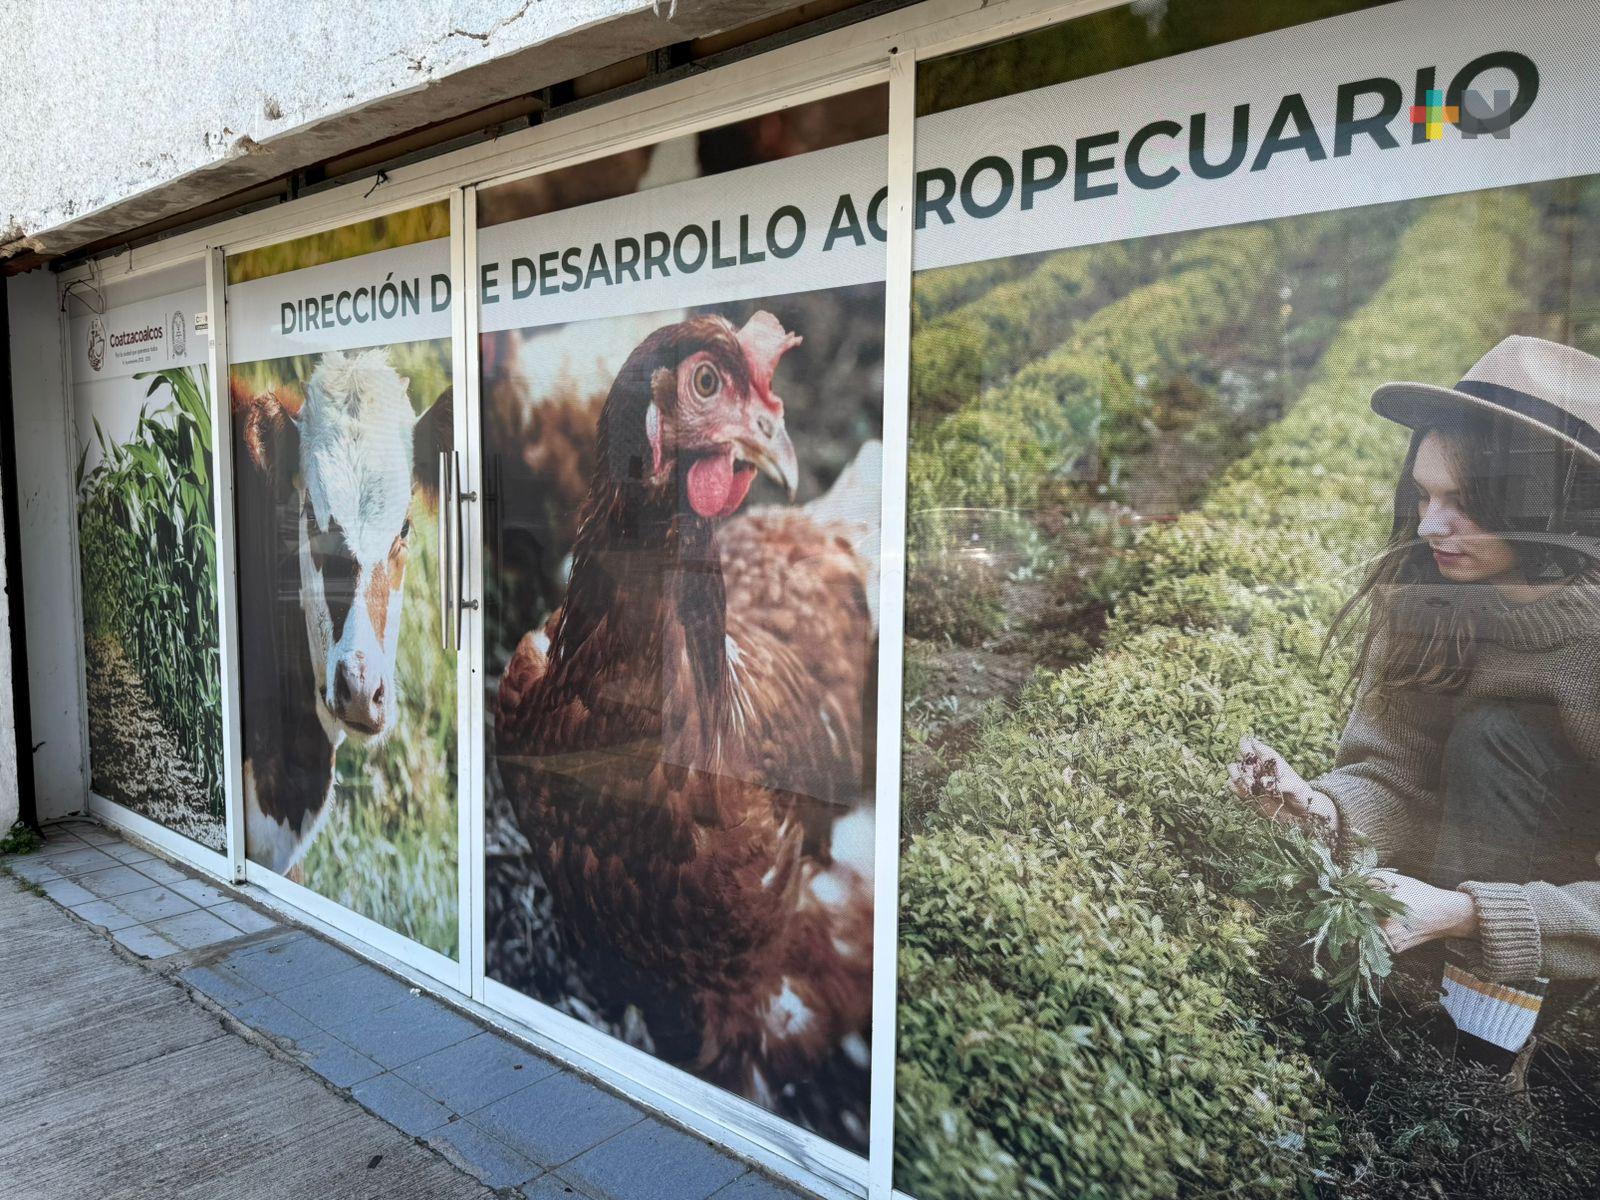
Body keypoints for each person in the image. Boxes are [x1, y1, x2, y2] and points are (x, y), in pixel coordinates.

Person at [1230, 334, 1600, 1076]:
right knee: (1489, 737)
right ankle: (1460, 1019)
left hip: (1572, 910)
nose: (1431, 526)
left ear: (1547, 502)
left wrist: (1466, 912)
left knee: (1502, 735)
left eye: (1464, 503)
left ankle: (1486, 1051)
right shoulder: (1432, 593)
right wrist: (1320, 809)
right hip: (1506, 881)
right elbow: (1398, 770)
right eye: (1425, 495)